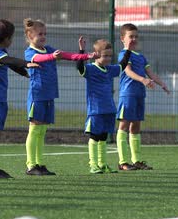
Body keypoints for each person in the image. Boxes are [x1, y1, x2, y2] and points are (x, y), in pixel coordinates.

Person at [23, 19, 97, 176]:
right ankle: (30, 165)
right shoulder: (30, 52)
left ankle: (39, 163)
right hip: (37, 95)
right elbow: (38, 59)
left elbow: (67, 55)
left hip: (49, 95)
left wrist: (83, 55)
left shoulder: (48, 49)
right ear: (29, 35)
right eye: (39, 34)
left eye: (44, 34)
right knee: (34, 130)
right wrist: (51, 57)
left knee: (42, 131)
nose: (43, 36)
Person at [0, 19, 40, 179]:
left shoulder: (0, 51)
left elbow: (9, 62)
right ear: (7, 39)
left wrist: (23, 72)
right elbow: (7, 60)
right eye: (12, 37)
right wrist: (26, 63)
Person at [116, 23, 170, 171]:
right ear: (123, 39)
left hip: (140, 95)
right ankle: (123, 162)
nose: (133, 39)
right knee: (124, 125)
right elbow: (128, 71)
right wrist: (142, 80)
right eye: (130, 36)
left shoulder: (141, 57)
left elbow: (151, 73)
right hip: (128, 94)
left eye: (136, 36)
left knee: (136, 126)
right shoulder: (124, 54)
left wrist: (162, 84)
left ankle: (137, 160)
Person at [77, 37, 131, 174]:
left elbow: (122, 65)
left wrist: (128, 49)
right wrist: (82, 51)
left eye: (109, 56)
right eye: (104, 55)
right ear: (96, 54)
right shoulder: (90, 69)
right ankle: (93, 164)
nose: (107, 58)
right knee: (94, 137)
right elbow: (79, 67)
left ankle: (102, 164)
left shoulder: (109, 69)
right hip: (96, 110)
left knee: (103, 138)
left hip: (109, 109)